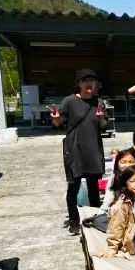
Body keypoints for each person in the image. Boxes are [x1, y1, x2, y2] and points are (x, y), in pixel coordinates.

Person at [49, 68, 107, 235]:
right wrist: (56, 119)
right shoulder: (69, 101)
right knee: (73, 187)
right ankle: (74, 221)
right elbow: (58, 125)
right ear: (79, 83)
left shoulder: (99, 102)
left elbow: (104, 126)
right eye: (85, 80)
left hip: (93, 149)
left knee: (94, 188)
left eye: (92, 80)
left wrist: (101, 119)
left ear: (95, 84)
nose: (89, 83)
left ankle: (95, 219)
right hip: (74, 150)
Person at [96, 164, 135, 257]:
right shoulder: (122, 205)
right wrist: (112, 249)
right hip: (132, 244)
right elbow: (116, 228)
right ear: (125, 184)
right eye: (132, 181)